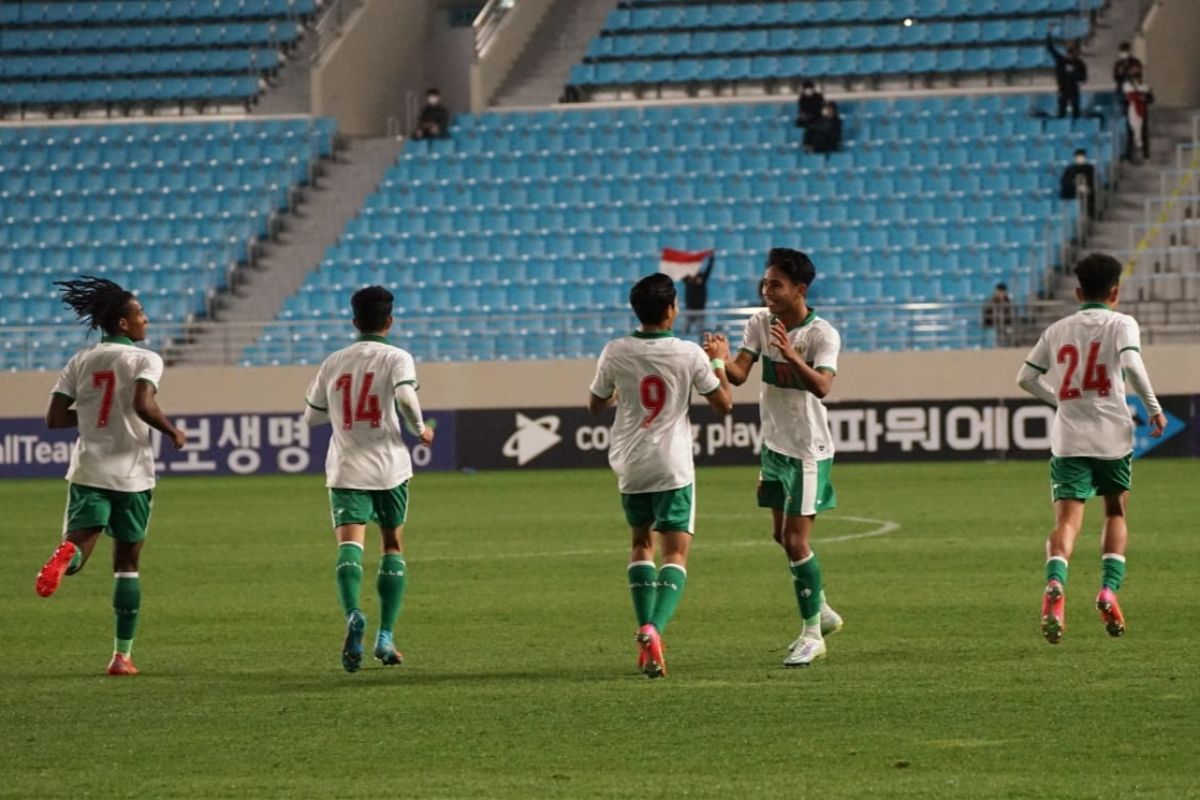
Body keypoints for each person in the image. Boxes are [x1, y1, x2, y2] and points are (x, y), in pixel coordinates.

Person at [34, 276, 188, 676]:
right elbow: (142, 402)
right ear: (123, 323)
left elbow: (53, 418)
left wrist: (89, 417)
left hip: (89, 468)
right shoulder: (145, 358)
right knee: (127, 564)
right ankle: (122, 656)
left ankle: (66, 556)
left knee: (80, 547)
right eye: (139, 313)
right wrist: (171, 430)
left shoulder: (80, 360)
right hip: (133, 474)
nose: (146, 319)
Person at [702, 248, 844, 668]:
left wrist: (792, 353)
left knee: (797, 541)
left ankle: (812, 634)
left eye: (776, 284)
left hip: (808, 451)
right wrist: (717, 357)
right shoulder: (760, 322)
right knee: (781, 537)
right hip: (774, 447)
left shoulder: (823, 334)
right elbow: (740, 375)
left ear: (800, 289)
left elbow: (823, 387)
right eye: (765, 283)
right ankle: (822, 609)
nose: (767, 291)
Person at [587, 273, 733, 678]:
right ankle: (655, 628)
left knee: (639, 544)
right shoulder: (688, 353)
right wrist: (718, 358)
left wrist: (621, 393)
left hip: (631, 463)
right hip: (672, 464)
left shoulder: (614, 351)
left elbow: (596, 406)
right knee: (675, 553)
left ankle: (642, 628)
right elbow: (724, 404)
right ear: (672, 310)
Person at [1016, 253, 1166, 645]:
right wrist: (1153, 408)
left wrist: (1059, 402)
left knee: (1067, 521)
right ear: (1115, 291)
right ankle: (1107, 590)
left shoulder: (1058, 329)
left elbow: (1026, 378)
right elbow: (1132, 367)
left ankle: (1055, 581)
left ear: (1078, 291)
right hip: (1112, 436)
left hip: (1069, 438)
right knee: (1115, 511)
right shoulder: (1122, 323)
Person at [303, 286, 435, 673]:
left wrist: (344, 414)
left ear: (354, 320)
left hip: (346, 467)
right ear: (389, 321)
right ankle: (386, 636)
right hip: (390, 465)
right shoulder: (397, 357)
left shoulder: (333, 361)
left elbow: (311, 417)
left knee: (350, 545)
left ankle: (353, 614)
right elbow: (407, 399)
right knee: (392, 544)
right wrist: (420, 429)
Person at [1046, 31, 1087, 119]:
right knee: (1061, 111)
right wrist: (1049, 34)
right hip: (1063, 89)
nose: (1070, 56)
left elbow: (1083, 77)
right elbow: (1050, 48)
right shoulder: (1061, 61)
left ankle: (1076, 127)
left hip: (1074, 89)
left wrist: (1080, 80)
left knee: (1076, 111)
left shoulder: (1079, 63)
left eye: (1072, 54)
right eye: (1069, 54)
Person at [1122, 64, 1154, 162]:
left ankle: (1146, 155)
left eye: (1137, 76)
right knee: (1130, 134)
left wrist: (1144, 98)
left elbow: (1151, 99)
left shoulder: (1145, 87)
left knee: (1143, 133)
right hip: (1130, 113)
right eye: (1133, 76)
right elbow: (1123, 99)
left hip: (1142, 113)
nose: (1136, 78)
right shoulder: (1126, 87)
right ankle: (1129, 155)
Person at [680, 253, 715, 340]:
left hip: (700, 310)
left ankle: (701, 346)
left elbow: (708, 269)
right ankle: (681, 345)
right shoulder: (688, 279)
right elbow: (681, 274)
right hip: (690, 310)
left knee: (701, 331)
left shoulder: (702, 278)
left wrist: (711, 259)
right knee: (684, 331)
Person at [1059, 148, 1097, 219]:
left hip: (1087, 193)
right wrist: (1077, 187)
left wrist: (1087, 188)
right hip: (1072, 193)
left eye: (1082, 157)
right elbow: (1065, 182)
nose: (1080, 159)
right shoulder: (1070, 169)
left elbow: (1092, 182)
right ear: (1075, 158)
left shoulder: (1090, 168)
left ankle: (1089, 216)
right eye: (1078, 157)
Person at [1112, 42, 1142, 106]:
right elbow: (1115, 77)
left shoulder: (1135, 62)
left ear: (1129, 51)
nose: (1124, 53)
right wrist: (1121, 73)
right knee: (1123, 107)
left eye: (1125, 50)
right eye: (1122, 51)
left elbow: (1138, 73)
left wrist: (1132, 73)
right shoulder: (1118, 64)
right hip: (1122, 91)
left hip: (1134, 89)